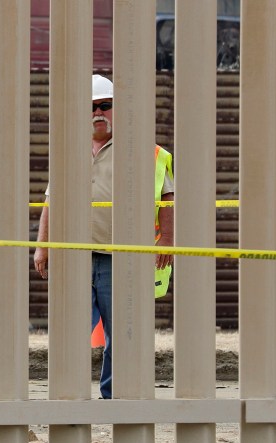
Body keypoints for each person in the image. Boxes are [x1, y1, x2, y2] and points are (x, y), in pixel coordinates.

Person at [33, 74, 174, 399]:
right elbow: (51, 199)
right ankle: (70, 395)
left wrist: (166, 239)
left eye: (105, 106)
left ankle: (114, 395)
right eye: (92, 106)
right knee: (72, 328)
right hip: (76, 255)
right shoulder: (70, 149)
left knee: (122, 331)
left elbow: (167, 196)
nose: (98, 112)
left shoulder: (144, 151)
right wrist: (42, 244)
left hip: (120, 256)